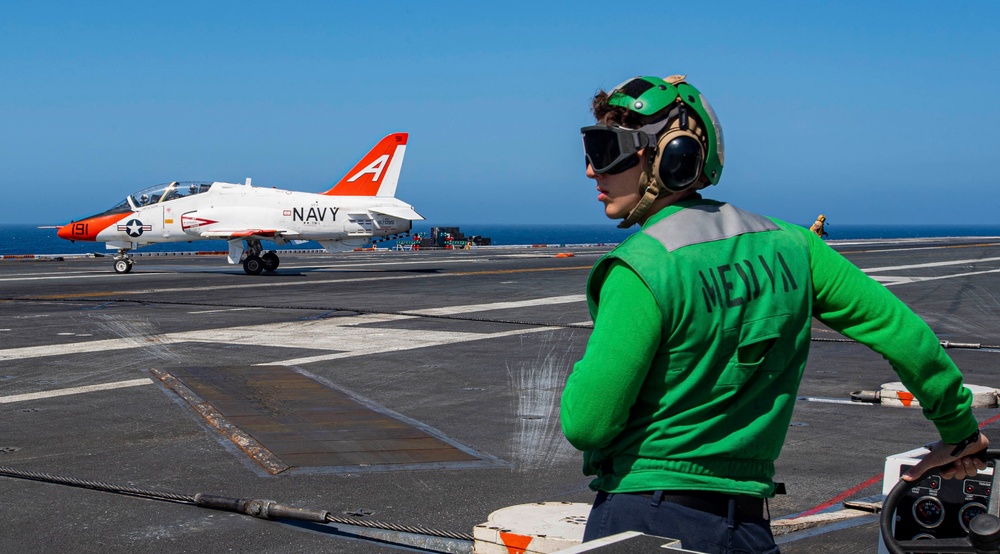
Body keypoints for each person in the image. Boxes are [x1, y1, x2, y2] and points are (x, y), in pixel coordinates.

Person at [560, 74, 988, 553]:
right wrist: (959, 434)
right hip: (745, 530)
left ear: (673, 156)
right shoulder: (796, 246)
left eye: (607, 149)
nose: (591, 170)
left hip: (639, 518)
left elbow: (587, 424)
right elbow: (904, 335)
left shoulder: (641, 267)